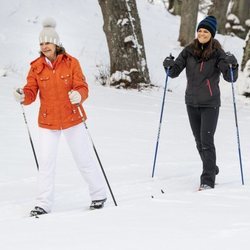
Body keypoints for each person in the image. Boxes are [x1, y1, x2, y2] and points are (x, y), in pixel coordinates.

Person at [13, 18, 107, 216]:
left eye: (47, 42)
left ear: (56, 43)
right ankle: (43, 204)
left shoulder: (72, 63)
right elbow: (31, 91)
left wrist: (78, 95)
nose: (44, 46)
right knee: (46, 163)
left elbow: (82, 87)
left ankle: (98, 194)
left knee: (83, 159)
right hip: (48, 121)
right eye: (41, 43)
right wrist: (23, 95)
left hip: (72, 118)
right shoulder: (36, 67)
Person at [163, 16, 238, 191]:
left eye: (206, 31)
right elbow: (174, 72)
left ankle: (207, 180)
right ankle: (211, 168)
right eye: (200, 31)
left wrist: (233, 65)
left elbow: (230, 77)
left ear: (212, 34)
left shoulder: (218, 53)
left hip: (210, 104)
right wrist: (168, 65)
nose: (202, 34)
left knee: (206, 140)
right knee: (198, 141)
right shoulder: (188, 51)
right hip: (191, 102)